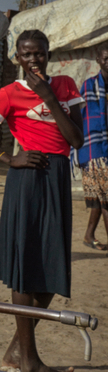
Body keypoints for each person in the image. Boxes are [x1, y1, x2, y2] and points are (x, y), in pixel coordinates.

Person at [0, 29, 84, 372]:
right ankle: (29, 360)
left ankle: (17, 350)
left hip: (56, 178)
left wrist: (49, 97)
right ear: (17, 58)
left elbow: (76, 141)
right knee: (26, 268)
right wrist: (7, 158)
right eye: (26, 55)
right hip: (25, 180)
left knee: (54, 268)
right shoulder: (9, 93)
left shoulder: (66, 85)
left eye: (39, 53)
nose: (33, 60)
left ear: (48, 55)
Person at [78, 43, 108, 250]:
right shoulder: (89, 85)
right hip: (95, 148)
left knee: (99, 195)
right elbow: (87, 120)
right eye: (105, 58)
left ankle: (89, 235)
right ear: (98, 60)